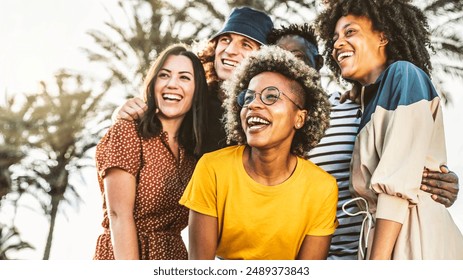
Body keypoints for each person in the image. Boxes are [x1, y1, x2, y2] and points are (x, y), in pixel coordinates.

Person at [268, 22, 460, 260]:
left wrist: (437, 180)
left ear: (318, 63)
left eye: (297, 57)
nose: (287, 66)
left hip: (378, 252)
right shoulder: (269, 127)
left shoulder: (358, 107)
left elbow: (402, 153)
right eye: (278, 59)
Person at [316, 0, 463, 259]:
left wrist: (377, 267)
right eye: (335, 37)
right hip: (387, 241)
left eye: (350, 32)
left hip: (414, 240)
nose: (338, 43)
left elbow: (395, 186)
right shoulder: (367, 99)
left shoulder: (404, 75)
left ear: (383, 36)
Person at [180, 45, 337, 260]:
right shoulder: (212, 168)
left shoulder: (322, 189)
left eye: (271, 96)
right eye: (248, 98)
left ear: (299, 118)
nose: (253, 105)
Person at [93, 44, 207, 260]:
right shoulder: (128, 131)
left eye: (184, 78)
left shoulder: (192, 156)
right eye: (164, 75)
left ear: (196, 91)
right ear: (153, 83)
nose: (172, 84)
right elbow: (119, 215)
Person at [115, 6, 274, 154]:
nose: (230, 50)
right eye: (225, 39)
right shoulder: (192, 97)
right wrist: (123, 113)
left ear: (261, 57)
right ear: (214, 47)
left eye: (245, 45)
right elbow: (152, 120)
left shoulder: (264, 111)